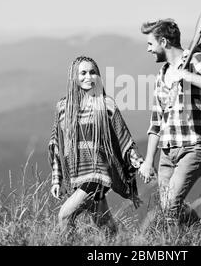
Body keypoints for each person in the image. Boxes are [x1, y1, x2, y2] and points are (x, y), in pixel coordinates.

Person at [138, 19, 201, 238]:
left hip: (193, 147)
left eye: (151, 43)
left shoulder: (196, 59)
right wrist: (149, 161)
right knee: (171, 210)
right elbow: (156, 121)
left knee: (170, 206)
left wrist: (186, 75)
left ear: (164, 42)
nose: (148, 49)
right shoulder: (162, 74)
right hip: (167, 154)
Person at [48, 56, 143, 235]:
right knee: (105, 226)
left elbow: (123, 138)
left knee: (64, 216)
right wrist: (57, 179)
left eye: (93, 72)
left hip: (98, 173)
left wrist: (140, 163)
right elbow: (57, 145)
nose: (88, 77)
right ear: (74, 77)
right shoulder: (62, 107)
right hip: (78, 174)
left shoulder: (106, 104)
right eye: (83, 73)